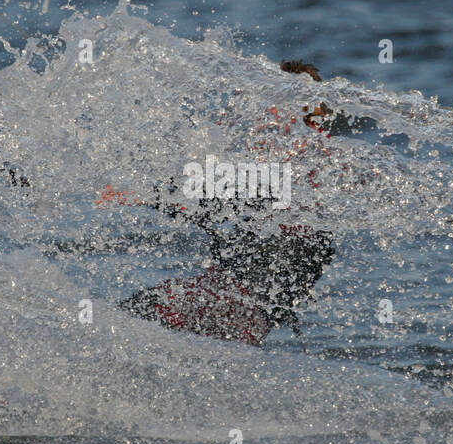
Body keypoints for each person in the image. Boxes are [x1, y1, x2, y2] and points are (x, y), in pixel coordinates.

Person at [98, 60, 338, 345]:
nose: (267, 110)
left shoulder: (303, 150)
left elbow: (225, 194)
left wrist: (142, 193)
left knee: (149, 310)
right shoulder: (304, 150)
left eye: (276, 101)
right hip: (268, 266)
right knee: (160, 310)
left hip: (279, 260)